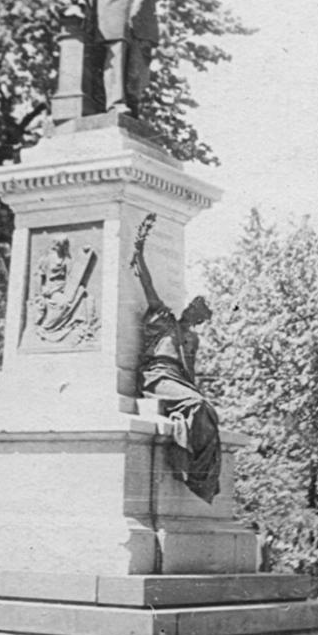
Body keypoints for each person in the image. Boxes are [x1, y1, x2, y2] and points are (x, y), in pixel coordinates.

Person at [130, 214, 220, 503]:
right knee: (196, 404)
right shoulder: (163, 318)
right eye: (192, 306)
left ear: (198, 320)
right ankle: (192, 468)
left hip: (176, 380)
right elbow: (146, 282)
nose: (191, 311)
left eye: (197, 312)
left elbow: (189, 374)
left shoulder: (191, 339)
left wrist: (195, 391)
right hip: (156, 376)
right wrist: (139, 249)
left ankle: (199, 475)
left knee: (205, 408)